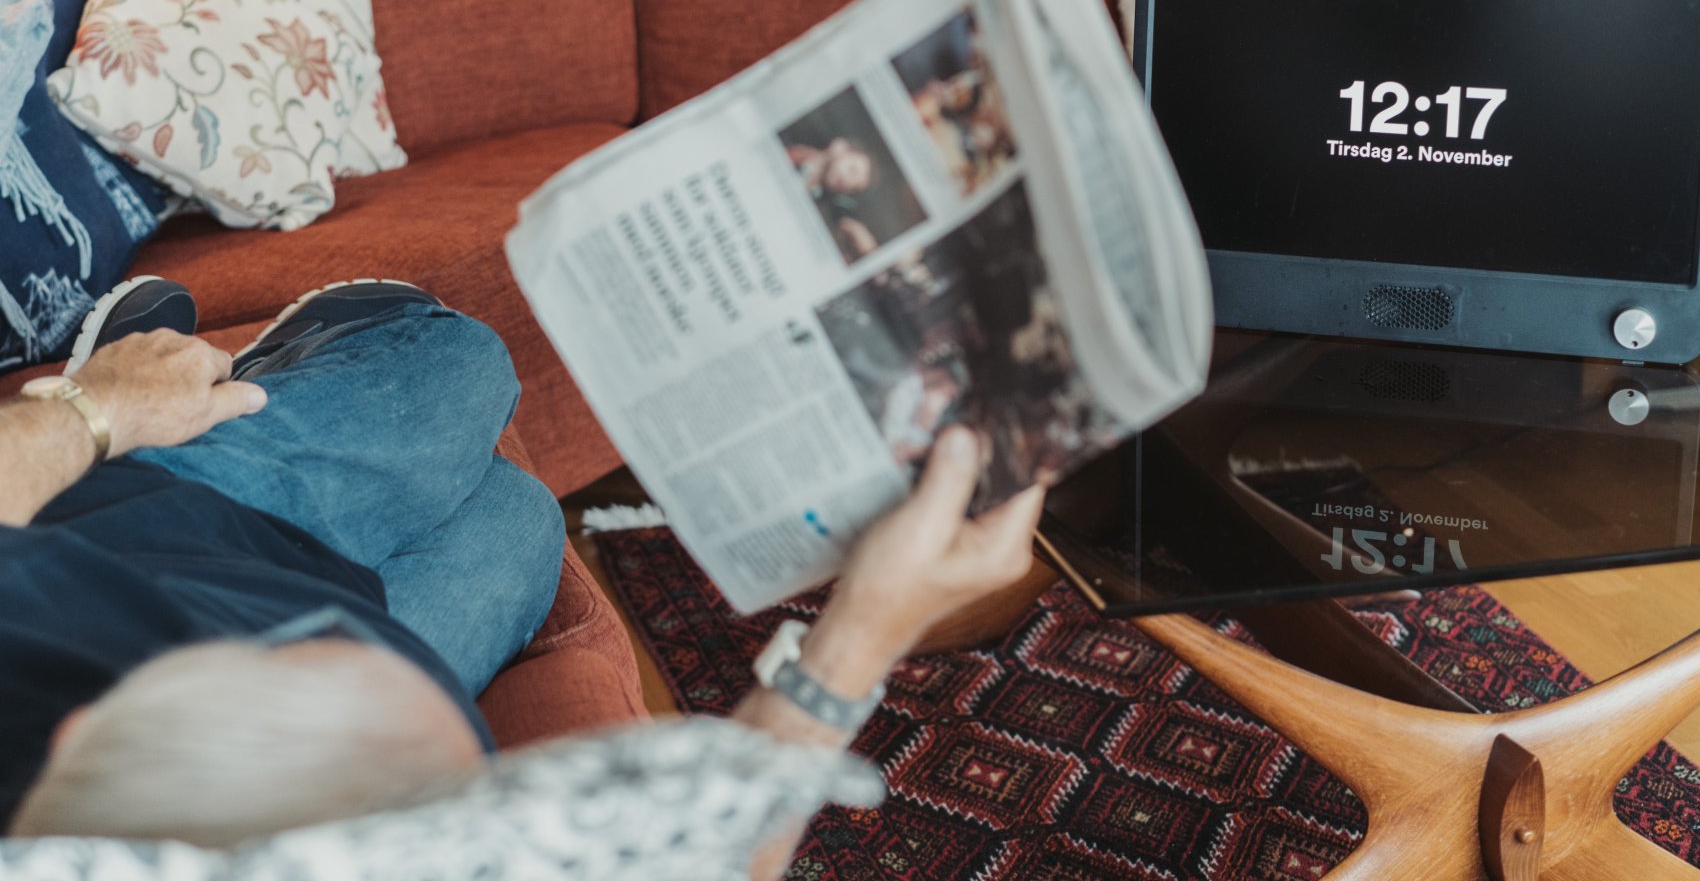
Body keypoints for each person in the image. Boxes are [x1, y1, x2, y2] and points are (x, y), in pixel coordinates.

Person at [0, 274, 1044, 876]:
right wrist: (858, 638)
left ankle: (164, 369)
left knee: (464, 361)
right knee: (524, 517)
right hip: (202, 596)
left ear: (81, 738)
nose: (330, 630)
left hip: (140, 532)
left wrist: (98, 412)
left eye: (284, 661)